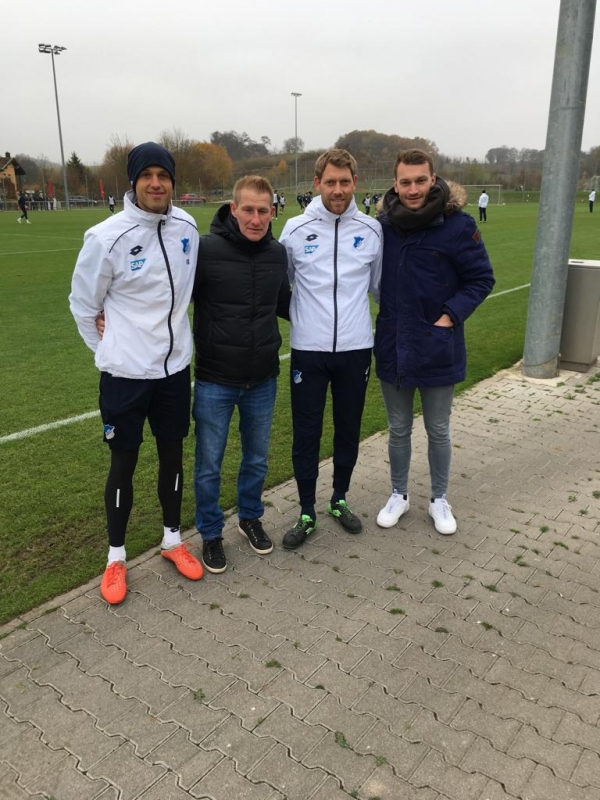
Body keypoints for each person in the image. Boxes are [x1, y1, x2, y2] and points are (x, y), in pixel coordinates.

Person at [69, 142, 204, 605]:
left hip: (174, 371)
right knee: (123, 463)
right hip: (125, 376)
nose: (155, 183)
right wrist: (109, 349)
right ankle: (115, 557)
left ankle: (172, 540)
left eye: (163, 175)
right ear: (133, 182)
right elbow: (82, 305)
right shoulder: (105, 237)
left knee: (173, 457)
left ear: (172, 181)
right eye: (147, 175)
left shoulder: (187, 227)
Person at [375, 149, 494, 535]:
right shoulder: (382, 227)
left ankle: (439, 498)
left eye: (420, 181)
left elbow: (481, 278)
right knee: (398, 428)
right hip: (394, 343)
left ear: (433, 180)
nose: (413, 189)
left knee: (438, 429)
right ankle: (399, 494)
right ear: (395, 184)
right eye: (405, 182)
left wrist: (448, 317)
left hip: (438, 344)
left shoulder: (458, 225)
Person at [279, 149, 382, 549]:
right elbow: (281, 286)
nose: (337, 190)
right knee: (306, 432)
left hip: (356, 349)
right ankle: (306, 511)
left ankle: (339, 499)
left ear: (355, 183)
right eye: (330, 182)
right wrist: (305, 318)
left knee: (348, 428)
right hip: (309, 351)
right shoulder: (294, 229)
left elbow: (379, 289)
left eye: (344, 182)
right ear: (317, 184)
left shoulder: (372, 230)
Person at [192, 176, 290, 573]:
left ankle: (250, 517)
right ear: (233, 209)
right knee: (209, 464)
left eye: (263, 211)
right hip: (215, 379)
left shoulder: (277, 254)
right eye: (247, 209)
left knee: (256, 459)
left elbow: (285, 304)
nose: (255, 218)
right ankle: (210, 532)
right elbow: (172, 298)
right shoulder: (205, 249)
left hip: (262, 378)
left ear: (272, 212)